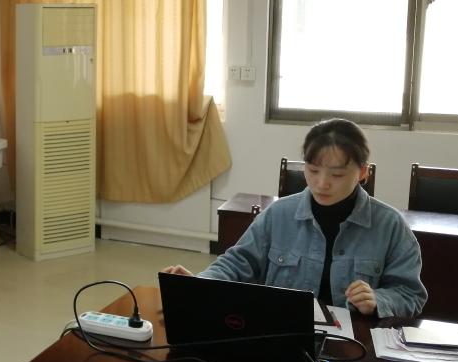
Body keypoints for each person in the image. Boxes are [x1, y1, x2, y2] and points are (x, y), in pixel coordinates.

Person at [163, 118, 427, 318]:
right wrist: (199, 284)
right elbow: (237, 263)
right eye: (312, 170)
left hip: (355, 344)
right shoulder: (278, 215)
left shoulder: (390, 225)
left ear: (362, 173)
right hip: (283, 335)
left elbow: (411, 295)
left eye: (337, 175)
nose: (322, 183)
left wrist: (379, 300)